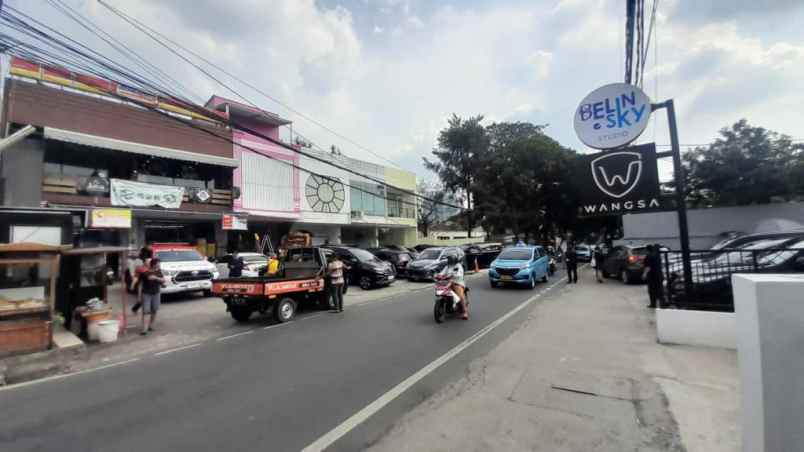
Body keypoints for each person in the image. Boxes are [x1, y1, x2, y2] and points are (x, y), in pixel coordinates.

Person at [438, 254, 468, 319]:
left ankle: (465, 312)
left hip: (457, 282)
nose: (449, 261)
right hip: (448, 282)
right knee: (440, 289)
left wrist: (451, 276)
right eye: (449, 260)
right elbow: (442, 273)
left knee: (461, 297)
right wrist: (438, 276)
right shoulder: (447, 266)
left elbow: (458, 274)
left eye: (450, 259)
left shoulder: (458, 266)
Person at [140, 258, 165, 335]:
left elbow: (163, 280)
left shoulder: (158, 271)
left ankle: (151, 325)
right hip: (146, 294)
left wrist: (157, 278)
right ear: (154, 264)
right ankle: (144, 329)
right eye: (158, 263)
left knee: (154, 310)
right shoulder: (145, 272)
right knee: (146, 311)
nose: (159, 265)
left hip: (156, 293)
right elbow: (148, 279)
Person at [131, 243, 154, 314]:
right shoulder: (140, 264)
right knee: (141, 299)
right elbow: (136, 276)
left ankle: (139, 308)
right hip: (142, 283)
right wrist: (132, 285)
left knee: (146, 297)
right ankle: (136, 309)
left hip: (148, 282)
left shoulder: (150, 260)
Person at [642, 244, 665, 309]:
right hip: (659, 274)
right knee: (660, 290)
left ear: (647, 250)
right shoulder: (658, 256)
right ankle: (662, 304)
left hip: (652, 276)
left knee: (652, 290)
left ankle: (653, 304)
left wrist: (644, 274)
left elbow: (648, 267)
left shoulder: (648, 256)